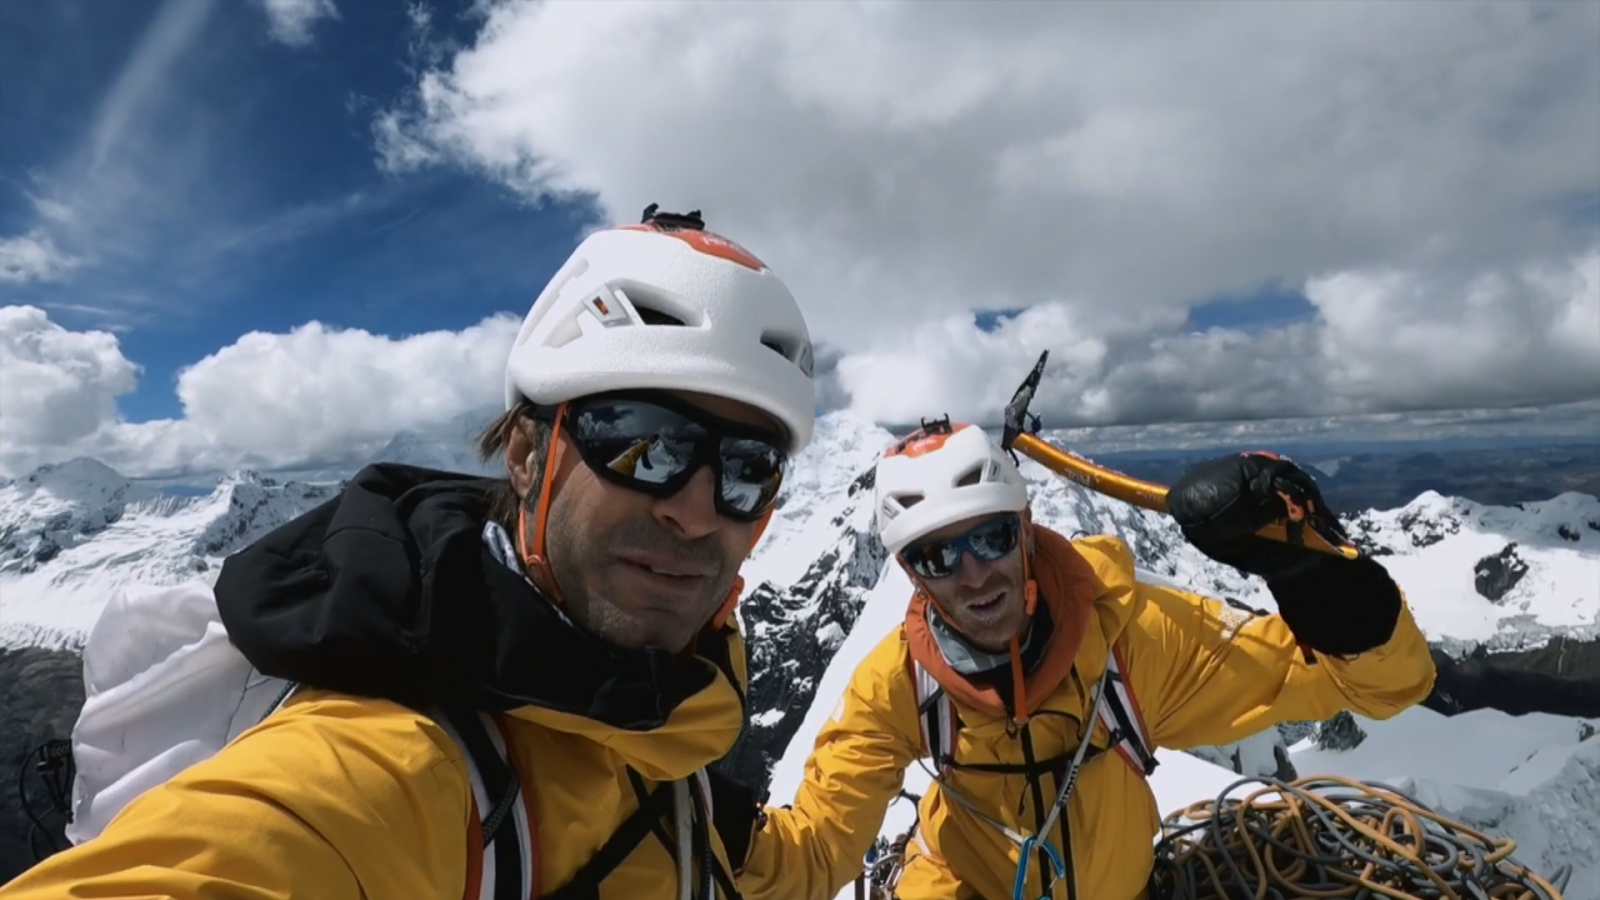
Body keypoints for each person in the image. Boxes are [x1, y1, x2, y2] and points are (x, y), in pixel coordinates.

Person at [0, 206, 815, 899]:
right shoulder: (391, 768)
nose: (698, 510)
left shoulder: (668, 715)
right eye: (646, 445)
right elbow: (257, 844)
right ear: (529, 456)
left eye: (749, 468)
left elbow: (770, 863)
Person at [735, 419, 1438, 900]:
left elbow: (1376, 684)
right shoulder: (896, 687)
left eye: (989, 539)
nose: (974, 575)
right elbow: (815, 855)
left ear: (1025, 529)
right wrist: (712, 837)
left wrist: (1314, 572)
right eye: (937, 555)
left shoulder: (1128, 643)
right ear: (912, 575)